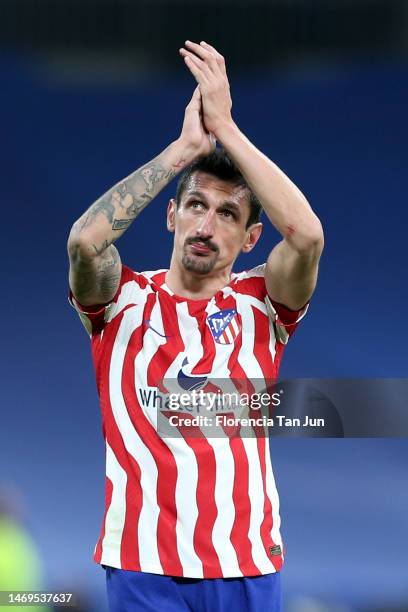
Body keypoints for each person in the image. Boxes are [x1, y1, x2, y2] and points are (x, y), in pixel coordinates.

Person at [67, 40, 324, 612]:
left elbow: (306, 236)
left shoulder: (264, 305)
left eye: (228, 213)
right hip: (142, 566)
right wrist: (185, 150)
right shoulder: (122, 300)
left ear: (251, 238)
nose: (206, 224)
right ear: (171, 214)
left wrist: (226, 129)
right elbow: (85, 241)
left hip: (246, 565)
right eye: (195, 205)